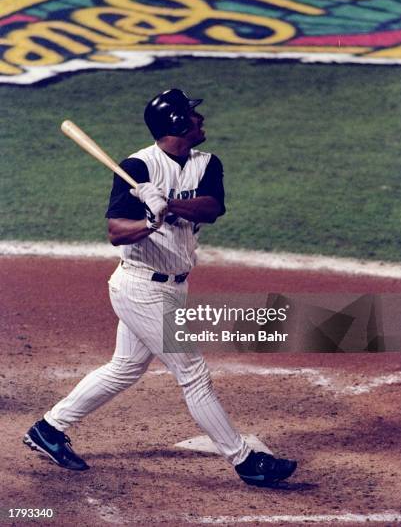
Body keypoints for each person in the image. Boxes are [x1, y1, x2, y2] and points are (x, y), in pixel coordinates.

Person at [23, 89, 297, 488]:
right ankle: (245, 461)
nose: (201, 120)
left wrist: (166, 203)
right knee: (193, 373)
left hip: (175, 286)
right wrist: (149, 222)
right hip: (139, 287)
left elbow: (213, 208)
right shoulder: (137, 166)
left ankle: (48, 429)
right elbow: (117, 232)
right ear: (178, 124)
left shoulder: (206, 163)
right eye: (193, 115)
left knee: (125, 367)